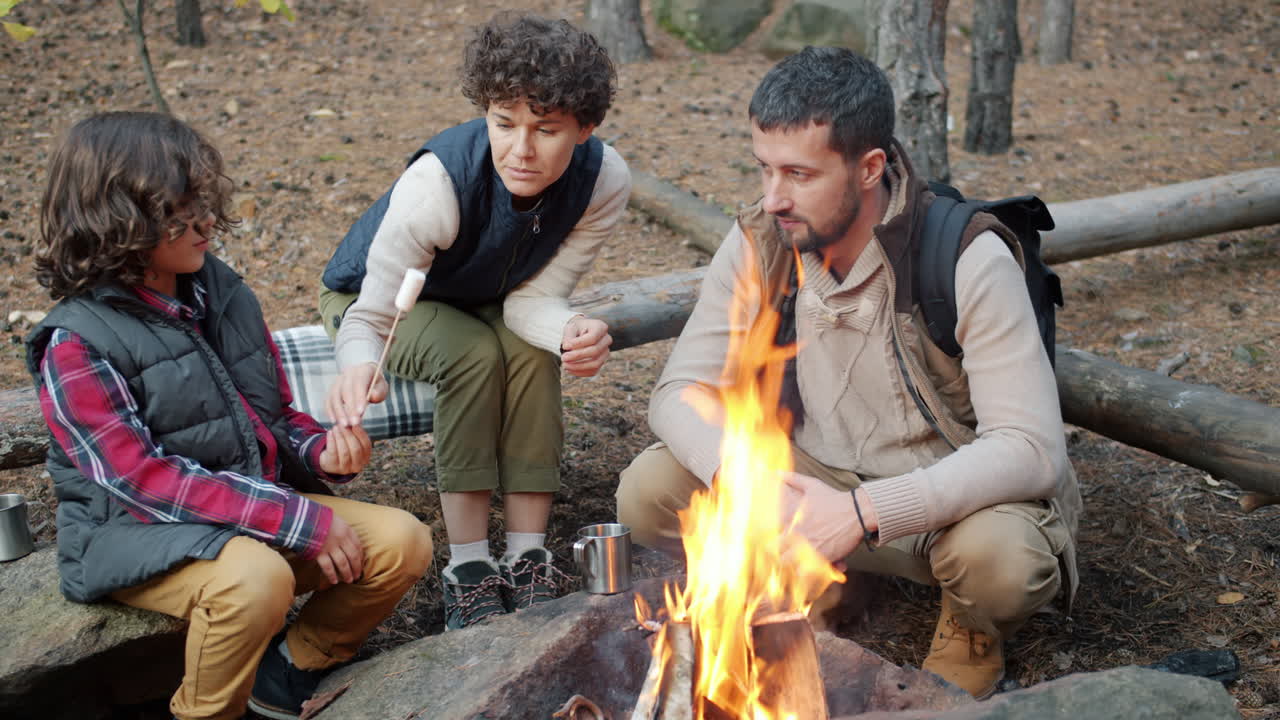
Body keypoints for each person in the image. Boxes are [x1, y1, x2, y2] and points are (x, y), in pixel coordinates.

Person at [616, 47, 1082, 699]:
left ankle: (970, 630)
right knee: (651, 488)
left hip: (940, 501)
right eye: (763, 168)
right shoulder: (765, 238)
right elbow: (677, 393)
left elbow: (1032, 451)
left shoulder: (965, 258)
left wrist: (864, 512)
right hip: (806, 486)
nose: (773, 196)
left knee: (1003, 562)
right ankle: (808, 589)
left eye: (799, 174)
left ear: (868, 168)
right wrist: (745, 479)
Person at [26, 112, 433, 720]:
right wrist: (295, 519)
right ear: (117, 220)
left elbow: (270, 416)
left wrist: (318, 450)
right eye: (180, 210)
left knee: (401, 541)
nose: (207, 221)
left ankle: (288, 672)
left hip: (244, 514)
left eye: (204, 203)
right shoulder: (75, 343)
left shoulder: (221, 291)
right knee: (257, 579)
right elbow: (143, 481)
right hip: (132, 535)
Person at [318, 13, 629, 631]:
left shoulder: (603, 181)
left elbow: (532, 304)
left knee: (529, 352)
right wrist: (357, 367)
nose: (520, 150)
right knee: (473, 354)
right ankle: (467, 567)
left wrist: (569, 332)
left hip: (488, 299)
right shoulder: (438, 185)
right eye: (503, 124)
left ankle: (527, 555)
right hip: (373, 304)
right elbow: (369, 318)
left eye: (546, 130)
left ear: (585, 128)